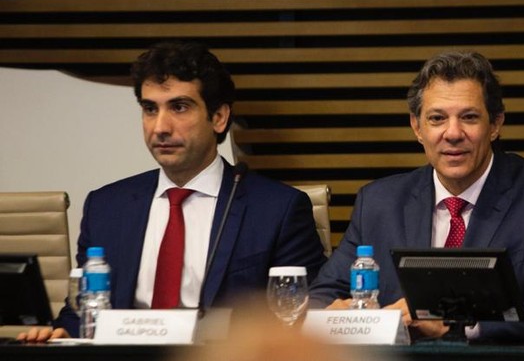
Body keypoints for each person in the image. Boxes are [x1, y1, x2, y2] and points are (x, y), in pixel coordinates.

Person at [18, 42, 327, 342]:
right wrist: (60, 332)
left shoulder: (277, 209)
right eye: (150, 109)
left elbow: (299, 315)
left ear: (219, 117)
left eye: (179, 107)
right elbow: (83, 312)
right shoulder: (107, 206)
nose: (160, 127)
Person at [309, 50, 524, 343]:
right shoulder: (378, 201)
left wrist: (456, 326)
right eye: (437, 118)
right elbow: (322, 295)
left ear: (495, 125)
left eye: (469, 117)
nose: (453, 133)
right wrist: (343, 316)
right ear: (417, 127)